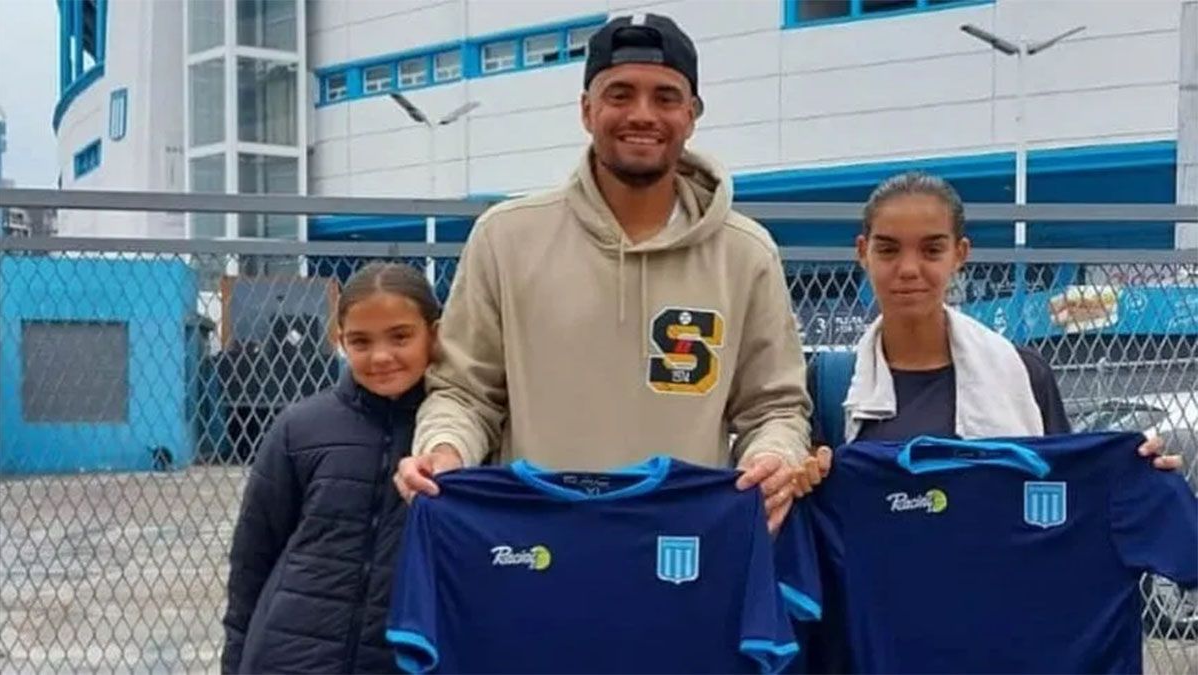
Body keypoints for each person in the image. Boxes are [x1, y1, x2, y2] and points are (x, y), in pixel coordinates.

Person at [395, 12, 828, 533]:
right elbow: (464, 393)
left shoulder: (746, 253)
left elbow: (773, 408)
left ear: (691, 115)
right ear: (586, 109)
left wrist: (773, 458)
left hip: (684, 549)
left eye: (665, 97)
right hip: (535, 546)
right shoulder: (505, 237)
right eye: (619, 94)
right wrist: (444, 450)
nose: (642, 114)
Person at [806, 170, 1181, 467]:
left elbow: (1068, 496)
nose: (908, 269)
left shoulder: (1023, 374)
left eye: (932, 250)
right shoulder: (832, 384)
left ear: (960, 254)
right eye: (888, 249)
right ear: (862, 252)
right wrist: (803, 475)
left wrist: (1135, 477)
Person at [220, 262, 440, 674]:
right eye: (360, 341)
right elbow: (253, 557)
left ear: (435, 333)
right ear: (339, 340)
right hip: (288, 656)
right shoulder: (299, 428)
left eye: (400, 336)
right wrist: (235, 660)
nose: (381, 356)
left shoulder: (456, 441)